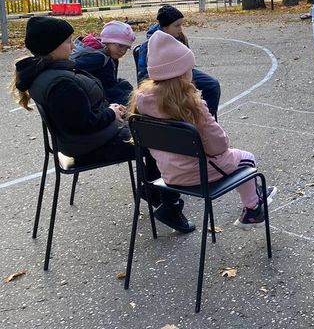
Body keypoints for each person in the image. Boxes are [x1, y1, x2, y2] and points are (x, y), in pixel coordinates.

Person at [10, 17, 194, 233]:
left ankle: (150, 190)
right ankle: (169, 205)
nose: (72, 45)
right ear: (52, 47)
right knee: (159, 139)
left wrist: (110, 110)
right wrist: (110, 113)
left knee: (150, 127)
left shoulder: (47, 73)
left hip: (81, 141)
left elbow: (77, 116)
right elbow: (82, 123)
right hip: (89, 146)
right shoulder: (60, 82)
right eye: (67, 41)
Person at [129, 31, 277, 228]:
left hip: (169, 174)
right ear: (182, 73)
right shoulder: (191, 105)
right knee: (247, 158)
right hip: (199, 174)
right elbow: (219, 146)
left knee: (238, 161)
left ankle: (256, 196)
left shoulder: (141, 101)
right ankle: (253, 209)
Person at [137, 5, 221, 117]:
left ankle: (205, 118)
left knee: (212, 85)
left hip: (182, 72)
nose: (180, 29)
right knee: (176, 94)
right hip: (162, 79)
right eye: (177, 25)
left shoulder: (180, 38)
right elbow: (142, 76)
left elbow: (187, 61)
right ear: (164, 27)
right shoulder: (148, 46)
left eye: (181, 25)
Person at [70, 21, 136, 105]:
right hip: (98, 92)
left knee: (125, 86)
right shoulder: (98, 58)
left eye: (127, 48)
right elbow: (73, 66)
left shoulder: (111, 56)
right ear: (107, 41)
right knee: (126, 96)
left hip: (106, 87)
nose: (123, 51)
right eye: (120, 46)